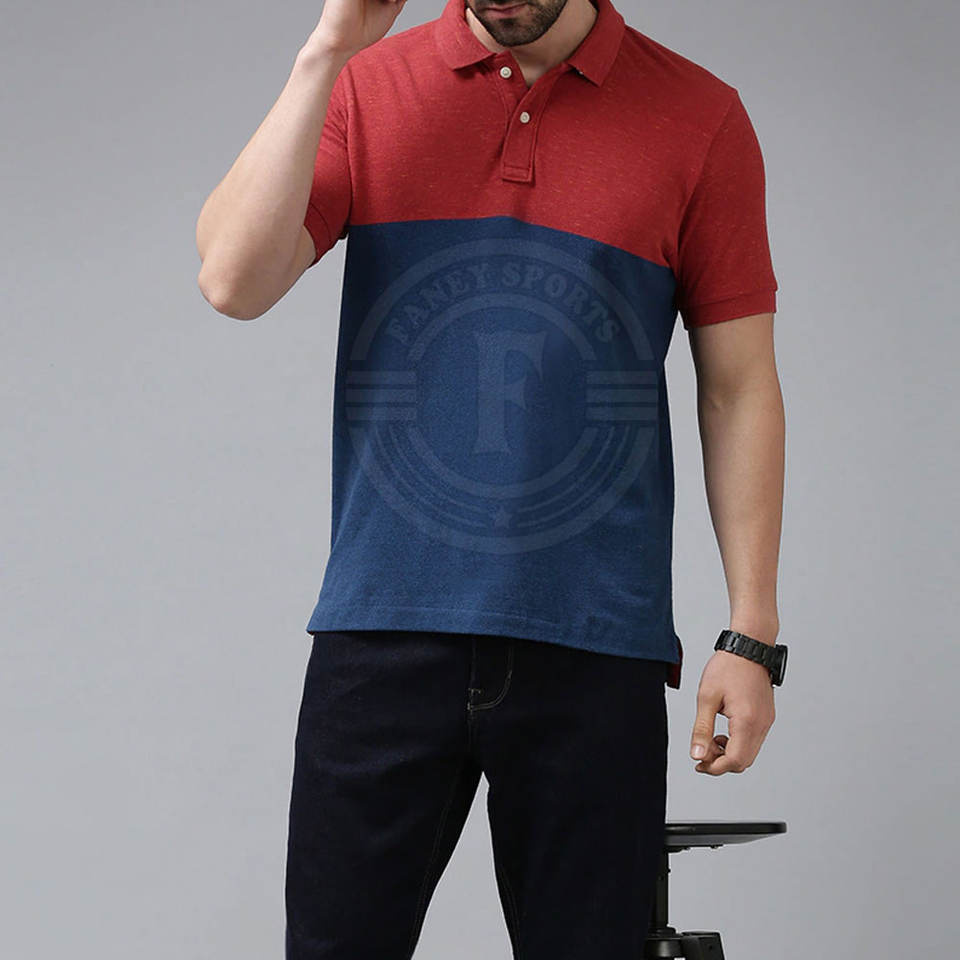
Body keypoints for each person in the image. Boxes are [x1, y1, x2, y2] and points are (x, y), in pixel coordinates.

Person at [195, 0, 785, 955]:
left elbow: (739, 388)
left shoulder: (700, 116)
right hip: (384, 628)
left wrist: (751, 634)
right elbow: (232, 281)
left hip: (596, 643)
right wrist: (327, 50)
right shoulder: (366, 86)